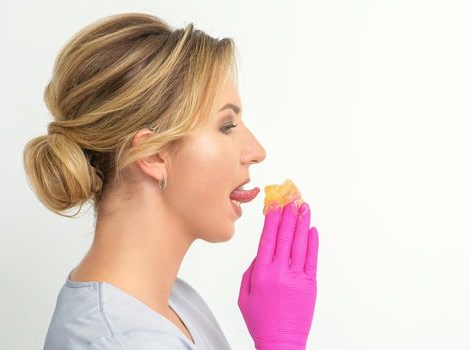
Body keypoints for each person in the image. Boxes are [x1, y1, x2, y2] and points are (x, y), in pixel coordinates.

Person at [22, 12, 320, 350]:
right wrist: (283, 343)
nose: (256, 151)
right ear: (152, 156)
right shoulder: (116, 342)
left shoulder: (176, 301)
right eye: (226, 126)